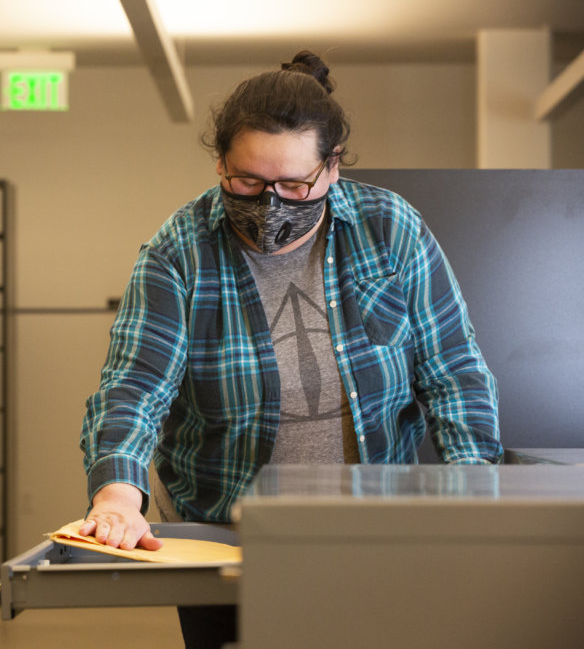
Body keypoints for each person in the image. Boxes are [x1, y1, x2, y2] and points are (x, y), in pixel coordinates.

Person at [78, 50, 502, 648]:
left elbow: (452, 368)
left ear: (331, 168)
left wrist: (476, 489)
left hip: (372, 530)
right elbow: (134, 386)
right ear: (221, 161)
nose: (269, 202)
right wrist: (118, 495)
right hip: (223, 531)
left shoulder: (389, 228)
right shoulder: (181, 251)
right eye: (247, 181)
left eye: (293, 184)